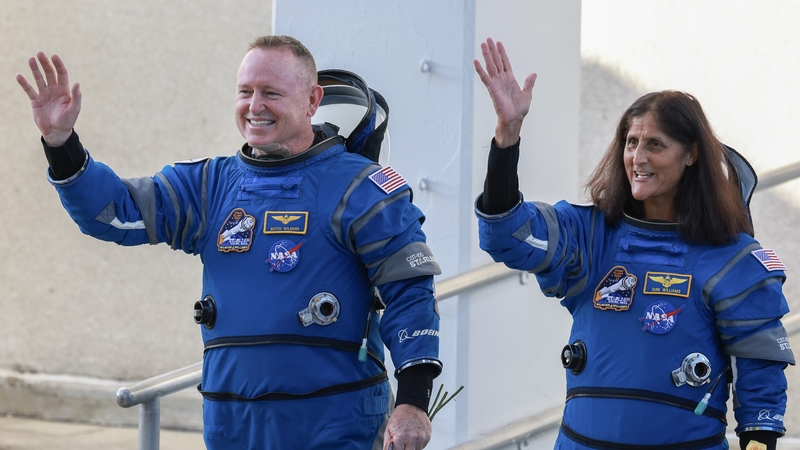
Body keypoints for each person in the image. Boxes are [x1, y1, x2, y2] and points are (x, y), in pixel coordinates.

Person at [17, 35, 442, 450]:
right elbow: (115, 213)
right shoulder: (210, 186)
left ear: (312, 101)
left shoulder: (362, 187)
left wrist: (412, 402)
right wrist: (61, 143)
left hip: (336, 425)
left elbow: (410, 293)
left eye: (271, 93)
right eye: (245, 92)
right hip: (231, 427)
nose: (255, 106)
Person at [472, 37, 794, 450]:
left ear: (691, 155)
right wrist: (508, 134)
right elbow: (506, 235)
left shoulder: (732, 259)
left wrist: (759, 441)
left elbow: (761, 377)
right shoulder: (589, 235)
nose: (637, 157)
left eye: (655, 144)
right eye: (631, 142)